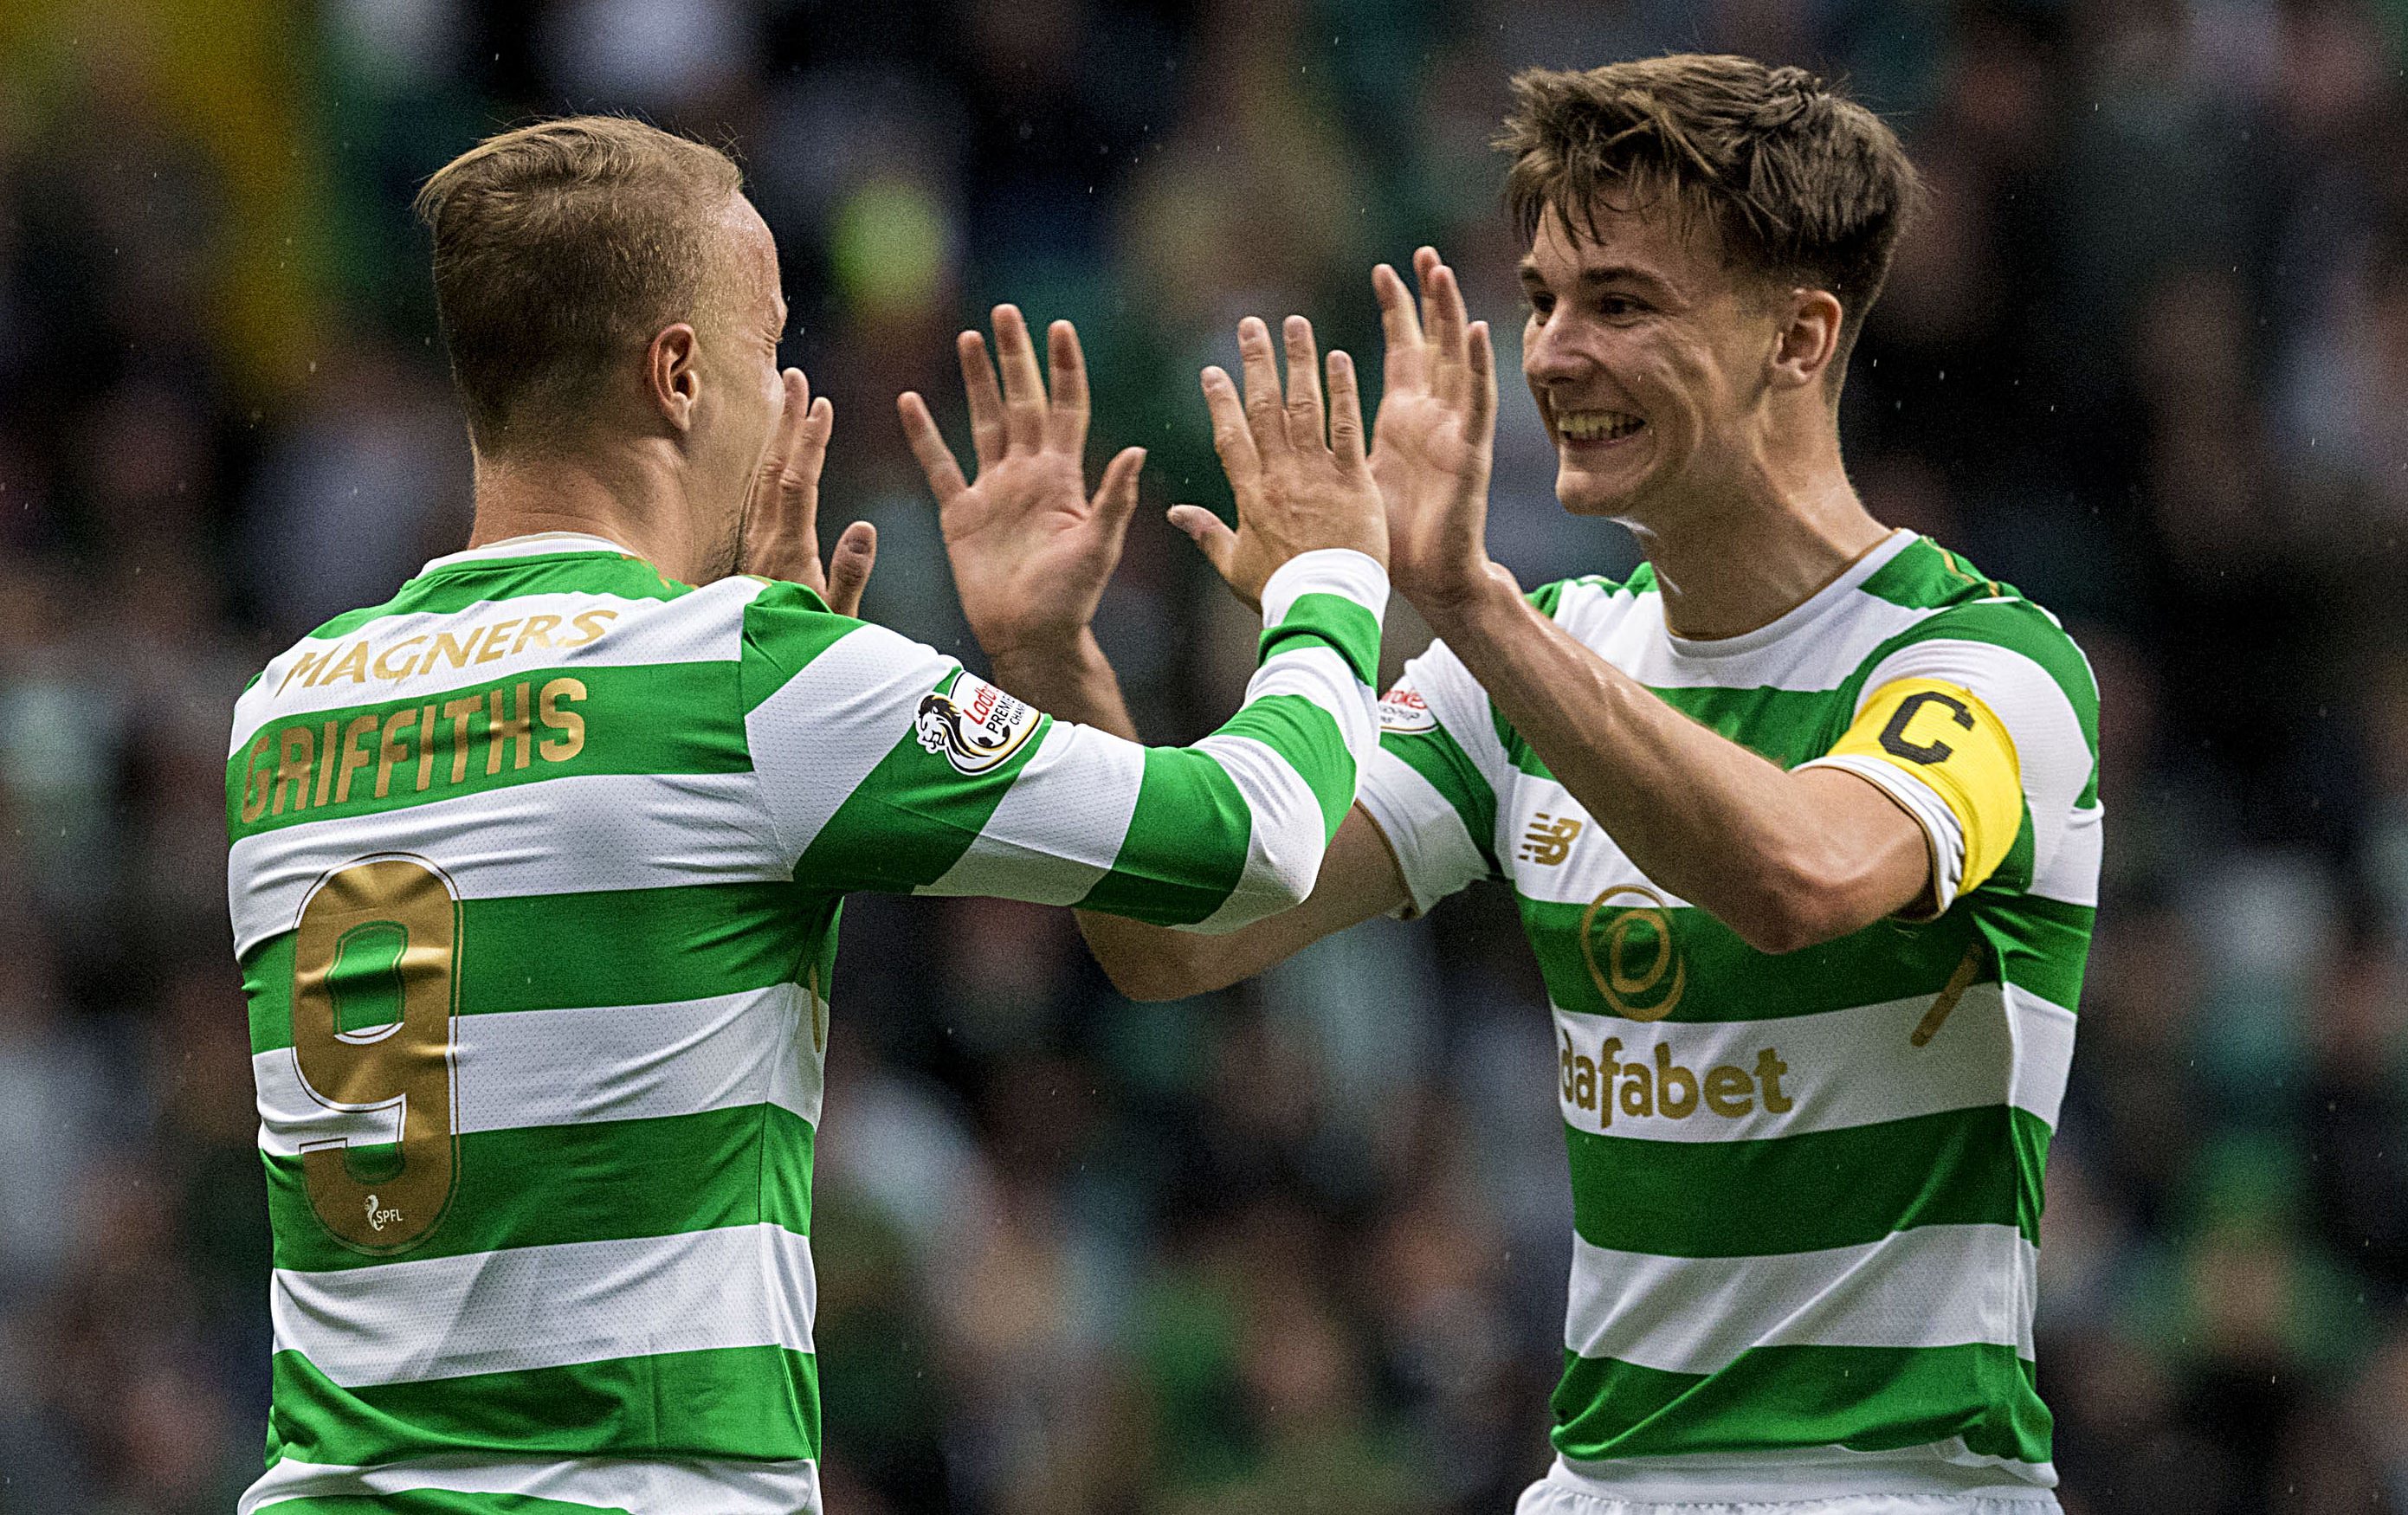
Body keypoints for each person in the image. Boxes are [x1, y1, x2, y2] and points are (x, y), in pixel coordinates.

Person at [907, 55, 2099, 1515]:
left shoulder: (1985, 666)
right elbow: (1176, 939)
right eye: (1538, 300)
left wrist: (1465, 601)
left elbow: (1801, 878)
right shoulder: (1534, 662)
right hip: (1599, 1485)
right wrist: (1049, 662)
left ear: (1797, 334)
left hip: (1896, 1490)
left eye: (1619, 303)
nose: (1548, 355)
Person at [224, 115, 1391, 1515]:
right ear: (678, 374)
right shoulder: (743, 684)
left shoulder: (282, 710)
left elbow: (619, 985)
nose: (790, 395)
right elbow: (1252, 836)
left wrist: (782, 703)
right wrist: (1329, 576)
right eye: (772, 347)